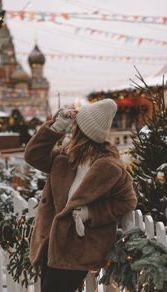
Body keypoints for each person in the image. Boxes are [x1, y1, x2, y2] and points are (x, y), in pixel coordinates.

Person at [24, 99, 137, 292]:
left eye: (77, 125)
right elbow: (33, 155)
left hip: (78, 247)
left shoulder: (109, 167)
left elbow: (127, 201)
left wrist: (90, 213)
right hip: (51, 242)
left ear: (81, 131)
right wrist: (57, 125)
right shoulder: (65, 158)